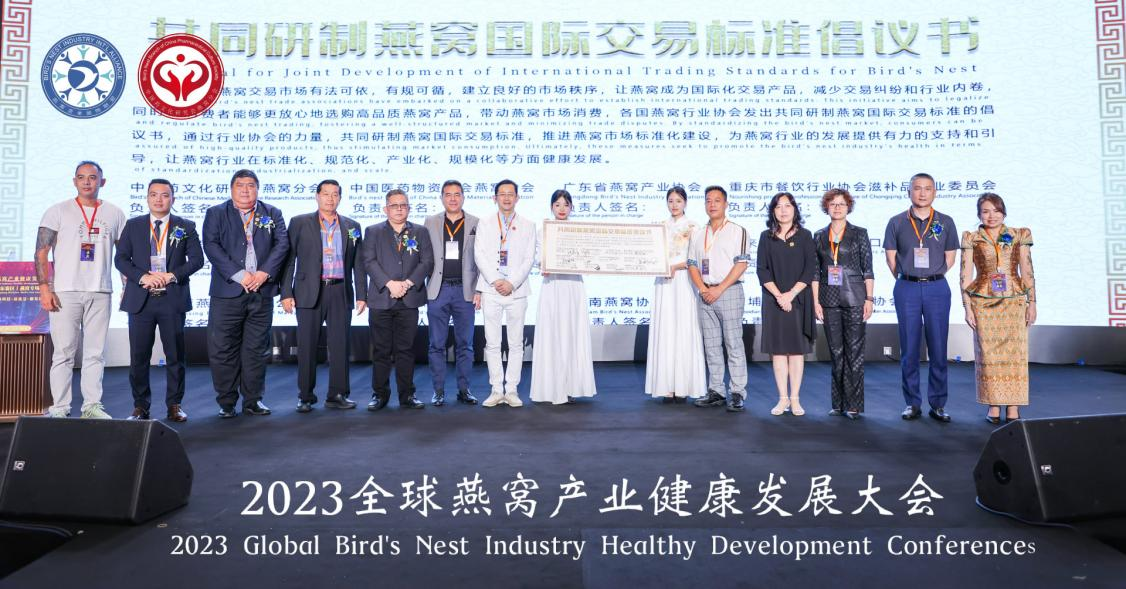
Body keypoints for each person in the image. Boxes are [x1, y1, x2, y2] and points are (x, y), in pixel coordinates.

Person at [34, 161, 126, 418]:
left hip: (100, 291)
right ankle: (60, 407)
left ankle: (91, 406)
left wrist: (126, 285)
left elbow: (123, 256)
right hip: (65, 291)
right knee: (63, 353)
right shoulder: (57, 211)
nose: (87, 182)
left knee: (95, 353)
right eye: (81, 177)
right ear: (74, 181)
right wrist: (44, 288)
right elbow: (41, 252)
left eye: (93, 177)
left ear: (102, 182)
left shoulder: (115, 213)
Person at [113, 179, 204, 422]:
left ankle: (174, 405)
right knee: (139, 356)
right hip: (141, 299)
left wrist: (172, 275)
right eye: (153, 194)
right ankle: (140, 406)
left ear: (173, 198)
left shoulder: (185, 226)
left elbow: (197, 260)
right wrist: (142, 276)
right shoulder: (133, 225)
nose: (159, 199)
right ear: (147, 198)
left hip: (171, 298)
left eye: (164, 195)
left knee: (175, 355)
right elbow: (121, 259)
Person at [203, 169, 289, 418]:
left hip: (262, 291)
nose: (245, 190)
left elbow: (282, 244)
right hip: (227, 292)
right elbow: (211, 246)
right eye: (240, 185)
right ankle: (227, 402)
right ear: (231, 189)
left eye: (250, 185)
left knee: (257, 349)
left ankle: (253, 400)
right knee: (223, 348)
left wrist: (264, 273)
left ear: (257, 189)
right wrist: (240, 275)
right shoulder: (216, 213)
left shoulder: (272, 213)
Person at [280, 179, 367, 413]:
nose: (330, 198)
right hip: (309, 290)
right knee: (307, 345)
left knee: (340, 345)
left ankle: (337, 394)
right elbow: (289, 260)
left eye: (335, 194)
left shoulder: (352, 225)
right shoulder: (299, 222)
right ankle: (305, 396)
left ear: (340, 198)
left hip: (340, 290)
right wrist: (286, 292)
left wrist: (362, 294)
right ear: (317, 196)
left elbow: (358, 264)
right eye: (326, 194)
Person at [884, 173, 959, 422]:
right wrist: (909, 276)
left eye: (928, 188)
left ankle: (938, 404)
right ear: (909, 192)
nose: (922, 193)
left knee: (938, 346)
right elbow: (891, 259)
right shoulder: (896, 222)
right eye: (917, 188)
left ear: (935, 192)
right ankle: (912, 403)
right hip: (907, 287)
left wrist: (932, 274)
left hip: (937, 288)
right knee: (909, 347)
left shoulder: (945, 222)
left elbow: (950, 258)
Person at [959, 193, 1036, 424]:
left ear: (1003, 212)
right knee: (989, 356)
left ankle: (1013, 405)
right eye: (985, 211)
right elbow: (965, 276)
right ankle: (993, 405)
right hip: (984, 303)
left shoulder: (1018, 235)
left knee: (1015, 357)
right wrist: (967, 307)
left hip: (1014, 301)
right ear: (979, 214)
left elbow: (1027, 271)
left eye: (996, 211)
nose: (991, 216)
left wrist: (1032, 302)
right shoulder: (972, 238)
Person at [362, 189, 434, 411]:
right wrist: (390, 283)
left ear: (409, 208)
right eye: (394, 205)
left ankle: (407, 395)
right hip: (381, 298)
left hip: (409, 299)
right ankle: (379, 394)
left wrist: (407, 283)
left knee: (406, 350)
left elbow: (427, 262)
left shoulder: (420, 231)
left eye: (403, 205)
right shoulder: (373, 231)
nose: (399, 209)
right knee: (381, 351)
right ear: (386, 209)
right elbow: (369, 261)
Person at [811, 188, 874, 420]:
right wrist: (816, 301)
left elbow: (868, 269)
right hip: (828, 299)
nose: (837, 208)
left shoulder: (859, 233)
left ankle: (853, 404)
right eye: (833, 204)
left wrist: (869, 299)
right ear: (826, 207)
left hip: (855, 297)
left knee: (854, 353)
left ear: (848, 207)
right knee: (836, 353)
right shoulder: (819, 235)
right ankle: (838, 403)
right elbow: (815, 272)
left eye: (841, 204)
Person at [474, 179, 538, 408]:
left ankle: (511, 390)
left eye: (511, 194)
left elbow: (529, 258)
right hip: (491, 289)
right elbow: (479, 254)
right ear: (495, 198)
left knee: (516, 343)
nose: (507, 198)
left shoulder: (528, 225)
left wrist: (511, 282)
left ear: (517, 198)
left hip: (517, 291)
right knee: (492, 343)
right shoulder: (485, 223)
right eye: (502, 194)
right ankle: (495, 390)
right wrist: (496, 280)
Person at [529, 190, 597, 404]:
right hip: (553, 285)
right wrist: (543, 264)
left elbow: (589, 256)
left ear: (571, 208)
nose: (561, 209)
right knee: (552, 333)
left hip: (573, 286)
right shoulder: (543, 231)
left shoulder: (579, 231)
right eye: (557, 204)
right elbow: (536, 257)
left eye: (566, 205)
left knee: (572, 332)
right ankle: (551, 388)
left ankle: (571, 386)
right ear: (551, 207)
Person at [688, 186, 752, 413]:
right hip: (705, 294)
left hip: (729, 292)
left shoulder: (737, 231)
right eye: (708, 200)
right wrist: (703, 288)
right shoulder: (697, 234)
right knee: (711, 344)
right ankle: (716, 390)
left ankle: (737, 392)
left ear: (726, 204)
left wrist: (719, 289)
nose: (712, 204)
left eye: (717, 200)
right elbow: (692, 265)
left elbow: (742, 264)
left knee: (733, 343)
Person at [645, 186, 706, 403]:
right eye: (670, 201)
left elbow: (697, 257)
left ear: (685, 203)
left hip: (684, 281)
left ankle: (683, 386)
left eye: (678, 201)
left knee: (683, 328)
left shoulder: (693, 227)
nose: (674, 205)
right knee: (666, 329)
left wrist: (676, 266)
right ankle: (667, 387)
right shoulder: (660, 226)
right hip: (663, 283)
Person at [757, 192, 816, 416]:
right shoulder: (766, 237)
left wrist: (790, 295)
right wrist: (779, 296)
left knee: (796, 351)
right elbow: (762, 270)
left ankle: (795, 398)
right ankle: (782, 398)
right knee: (779, 352)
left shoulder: (805, 236)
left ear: (795, 209)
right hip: (774, 300)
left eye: (787, 206)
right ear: (772, 211)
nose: (783, 210)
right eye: (778, 206)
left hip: (798, 299)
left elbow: (810, 269)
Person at [424, 180, 480, 406]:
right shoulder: (430, 222)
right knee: (436, 344)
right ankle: (438, 391)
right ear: (441, 198)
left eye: (457, 194)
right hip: (438, 289)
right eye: (448, 194)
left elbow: (482, 259)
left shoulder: (476, 222)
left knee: (465, 344)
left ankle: (464, 390)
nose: (453, 198)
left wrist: (480, 289)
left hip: (465, 291)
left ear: (463, 197)